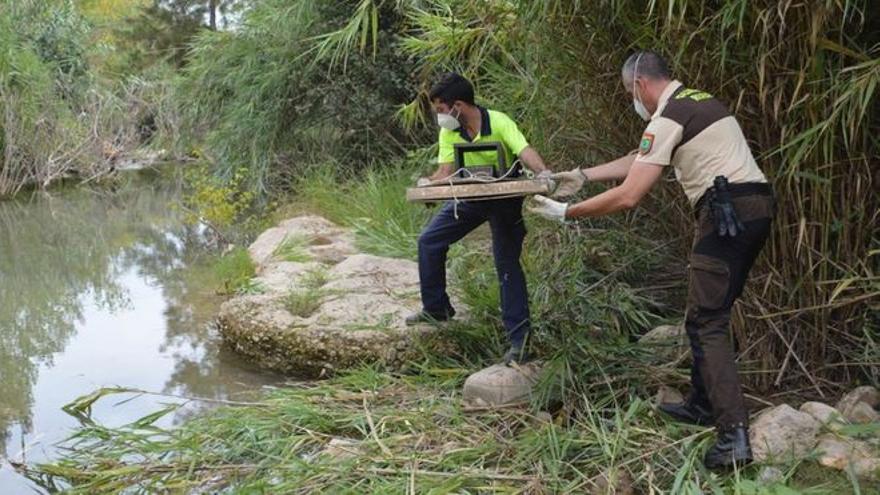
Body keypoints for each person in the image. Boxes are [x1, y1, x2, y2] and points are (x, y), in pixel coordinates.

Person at [528, 51, 774, 469]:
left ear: (640, 84)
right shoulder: (695, 102)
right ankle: (701, 403)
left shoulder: (668, 115)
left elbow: (630, 193)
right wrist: (583, 175)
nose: (632, 100)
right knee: (707, 312)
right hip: (753, 208)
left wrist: (567, 212)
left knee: (706, 322)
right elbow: (639, 158)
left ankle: (733, 437)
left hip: (725, 215)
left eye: (629, 92)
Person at [406, 72, 551, 365]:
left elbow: (524, 151)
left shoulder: (498, 121)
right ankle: (437, 308)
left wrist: (544, 172)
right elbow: (446, 171)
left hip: (505, 199)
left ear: (458, 105)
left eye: (442, 110)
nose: (440, 117)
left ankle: (520, 341)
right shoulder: (450, 131)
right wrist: (428, 186)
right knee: (429, 241)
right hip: (470, 198)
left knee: (506, 264)